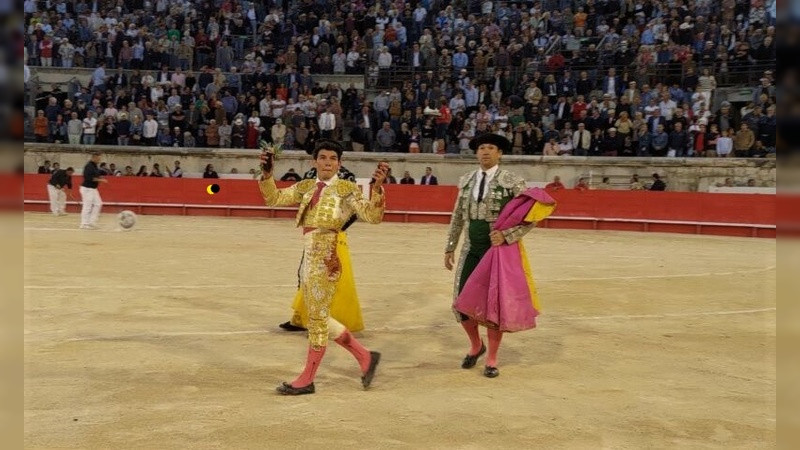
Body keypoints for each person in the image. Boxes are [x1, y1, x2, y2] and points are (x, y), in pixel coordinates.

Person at [258, 139, 388, 395]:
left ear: (339, 163)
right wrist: (267, 175)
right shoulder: (306, 185)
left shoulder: (346, 189)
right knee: (318, 317)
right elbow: (274, 198)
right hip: (309, 254)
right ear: (314, 161)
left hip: (327, 255)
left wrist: (378, 189)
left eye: (332, 158)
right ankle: (365, 357)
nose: (327, 162)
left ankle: (307, 378)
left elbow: (373, 217)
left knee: (316, 319)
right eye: (323, 158)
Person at [444, 133, 555, 379]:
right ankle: (476, 346)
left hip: (498, 250)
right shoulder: (466, 180)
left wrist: (508, 235)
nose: (485, 151)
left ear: (499, 153)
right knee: (461, 304)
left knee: (495, 305)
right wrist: (450, 246)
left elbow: (531, 215)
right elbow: (458, 216)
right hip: (471, 248)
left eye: (490, 148)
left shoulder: (512, 181)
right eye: (481, 148)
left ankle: (492, 357)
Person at [79, 152, 107, 229]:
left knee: (98, 204)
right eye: (98, 159)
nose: (99, 160)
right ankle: (84, 223)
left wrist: (100, 177)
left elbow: (96, 175)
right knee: (87, 206)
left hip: (93, 189)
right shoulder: (89, 166)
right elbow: (89, 178)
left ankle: (92, 222)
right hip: (87, 188)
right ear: (94, 158)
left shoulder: (94, 166)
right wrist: (101, 180)